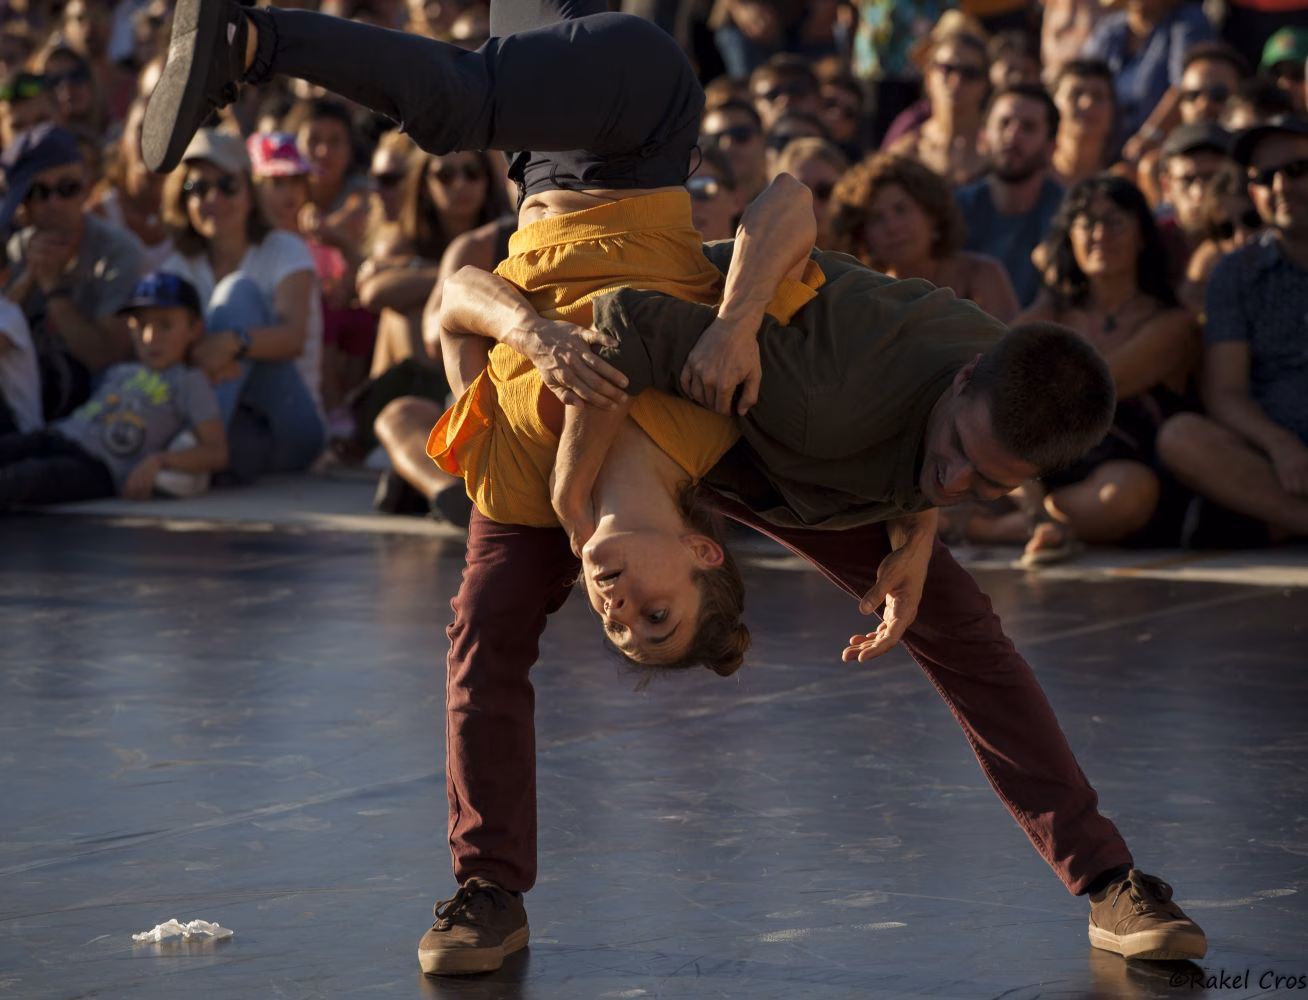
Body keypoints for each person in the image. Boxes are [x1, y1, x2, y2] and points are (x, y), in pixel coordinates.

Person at [142, 0, 1207, 976]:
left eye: (992, 485)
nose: (965, 480)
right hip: (637, 137)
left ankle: (1108, 879)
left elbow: (460, 312)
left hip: (576, 237)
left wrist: (923, 517)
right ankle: (253, 40)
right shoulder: (808, 379)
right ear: (707, 553)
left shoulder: (985, 399)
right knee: (460, 100)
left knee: (494, 621)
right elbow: (753, 229)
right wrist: (733, 328)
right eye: (962, 455)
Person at [965, 174, 1198, 563]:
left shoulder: (1171, 321)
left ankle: (996, 528)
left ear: (1142, 236)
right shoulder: (1053, 308)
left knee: (1126, 495)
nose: (1099, 234)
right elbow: (994, 363)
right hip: (1035, 465)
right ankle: (1037, 519)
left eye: (1115, 221)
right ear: (1070, 237)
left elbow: (1099, 384)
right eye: (1087, 223)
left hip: (1116, 470)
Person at [1157, 115, 1308, 543]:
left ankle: (1281, 522)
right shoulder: (1233, 274)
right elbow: (1226, 392)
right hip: (1276, 462)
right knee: (1182, 438)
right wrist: (1280, 445)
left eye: (1297, 170)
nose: (1281, 187)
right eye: (1264, 177)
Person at [160, 127, 326, 483]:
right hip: (240, 435)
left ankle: (198, 452)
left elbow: (293, 337)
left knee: (238, 293)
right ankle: (200, 459)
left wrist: (233, 342)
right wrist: (211, 351)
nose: (213, 199)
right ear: (183, 201)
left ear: (250, 194)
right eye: (198, 188)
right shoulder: (177, 265)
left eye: (227, 186)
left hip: (290, 425)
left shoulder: (284, 249)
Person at [0, 270, 228, 508]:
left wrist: (161, 461)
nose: (150, 337)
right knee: (10, 448)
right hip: (58, 437)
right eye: (140, 325)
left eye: (165, 325)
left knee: (25, 478)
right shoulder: (120, 371)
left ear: (194, 330)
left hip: (98, 467)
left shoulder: (189, 380)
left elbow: (216, 452)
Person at [2, 123, 145, 422]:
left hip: (102, 412)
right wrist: (27, 281)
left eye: (68, 188)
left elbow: (107, 358)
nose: (54, 203)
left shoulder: (119, 252)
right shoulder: (11, 253)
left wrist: (53, 288)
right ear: (21, 206)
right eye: (39, 191)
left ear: (87, 188)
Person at [830, 152, 1019, 321]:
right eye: (876, 218)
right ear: (863, 235)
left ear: (932, 214)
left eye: (901, 209)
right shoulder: (866, 298)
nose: (892, 227)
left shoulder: (982, 275)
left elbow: (1011, 353)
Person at [955, 83, 1066, 306]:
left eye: (1028, 127)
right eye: (1004, 123)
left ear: (1050, 148)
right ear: (982, 138)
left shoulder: (1068, 215)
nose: (1012, 135)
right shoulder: (952, 210)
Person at [887, 29, 992, 187]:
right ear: (928, 76)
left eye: (969, 73)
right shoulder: (907, 148)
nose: (956, 81)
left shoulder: (999, 146)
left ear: (985, 84)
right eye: (947, 69)